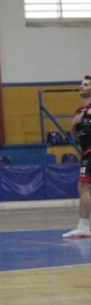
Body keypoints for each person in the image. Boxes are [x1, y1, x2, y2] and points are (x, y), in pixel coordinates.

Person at [63, 75, 91, 238]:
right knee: (84, 187)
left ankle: (83, 226)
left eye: (86, 84)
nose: (82, 86)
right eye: (81, 84)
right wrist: (74, 124)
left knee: (84, 187)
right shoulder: (79, 111)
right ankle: (84, 226)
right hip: (85, 151)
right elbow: (75, 136)